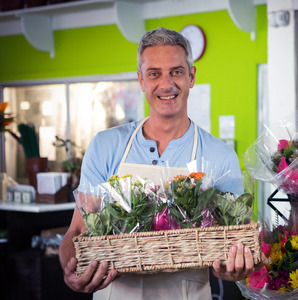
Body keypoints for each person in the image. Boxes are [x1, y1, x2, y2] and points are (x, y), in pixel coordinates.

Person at [59, 27, 267, 299]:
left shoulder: (220, 156)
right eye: (154, 73)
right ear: (141, 80)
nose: (167, 84)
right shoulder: (106, 146)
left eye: (177, 72)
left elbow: (236, 243)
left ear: (191, 77)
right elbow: (77, 231)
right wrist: (72, 271)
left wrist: (235, 268)